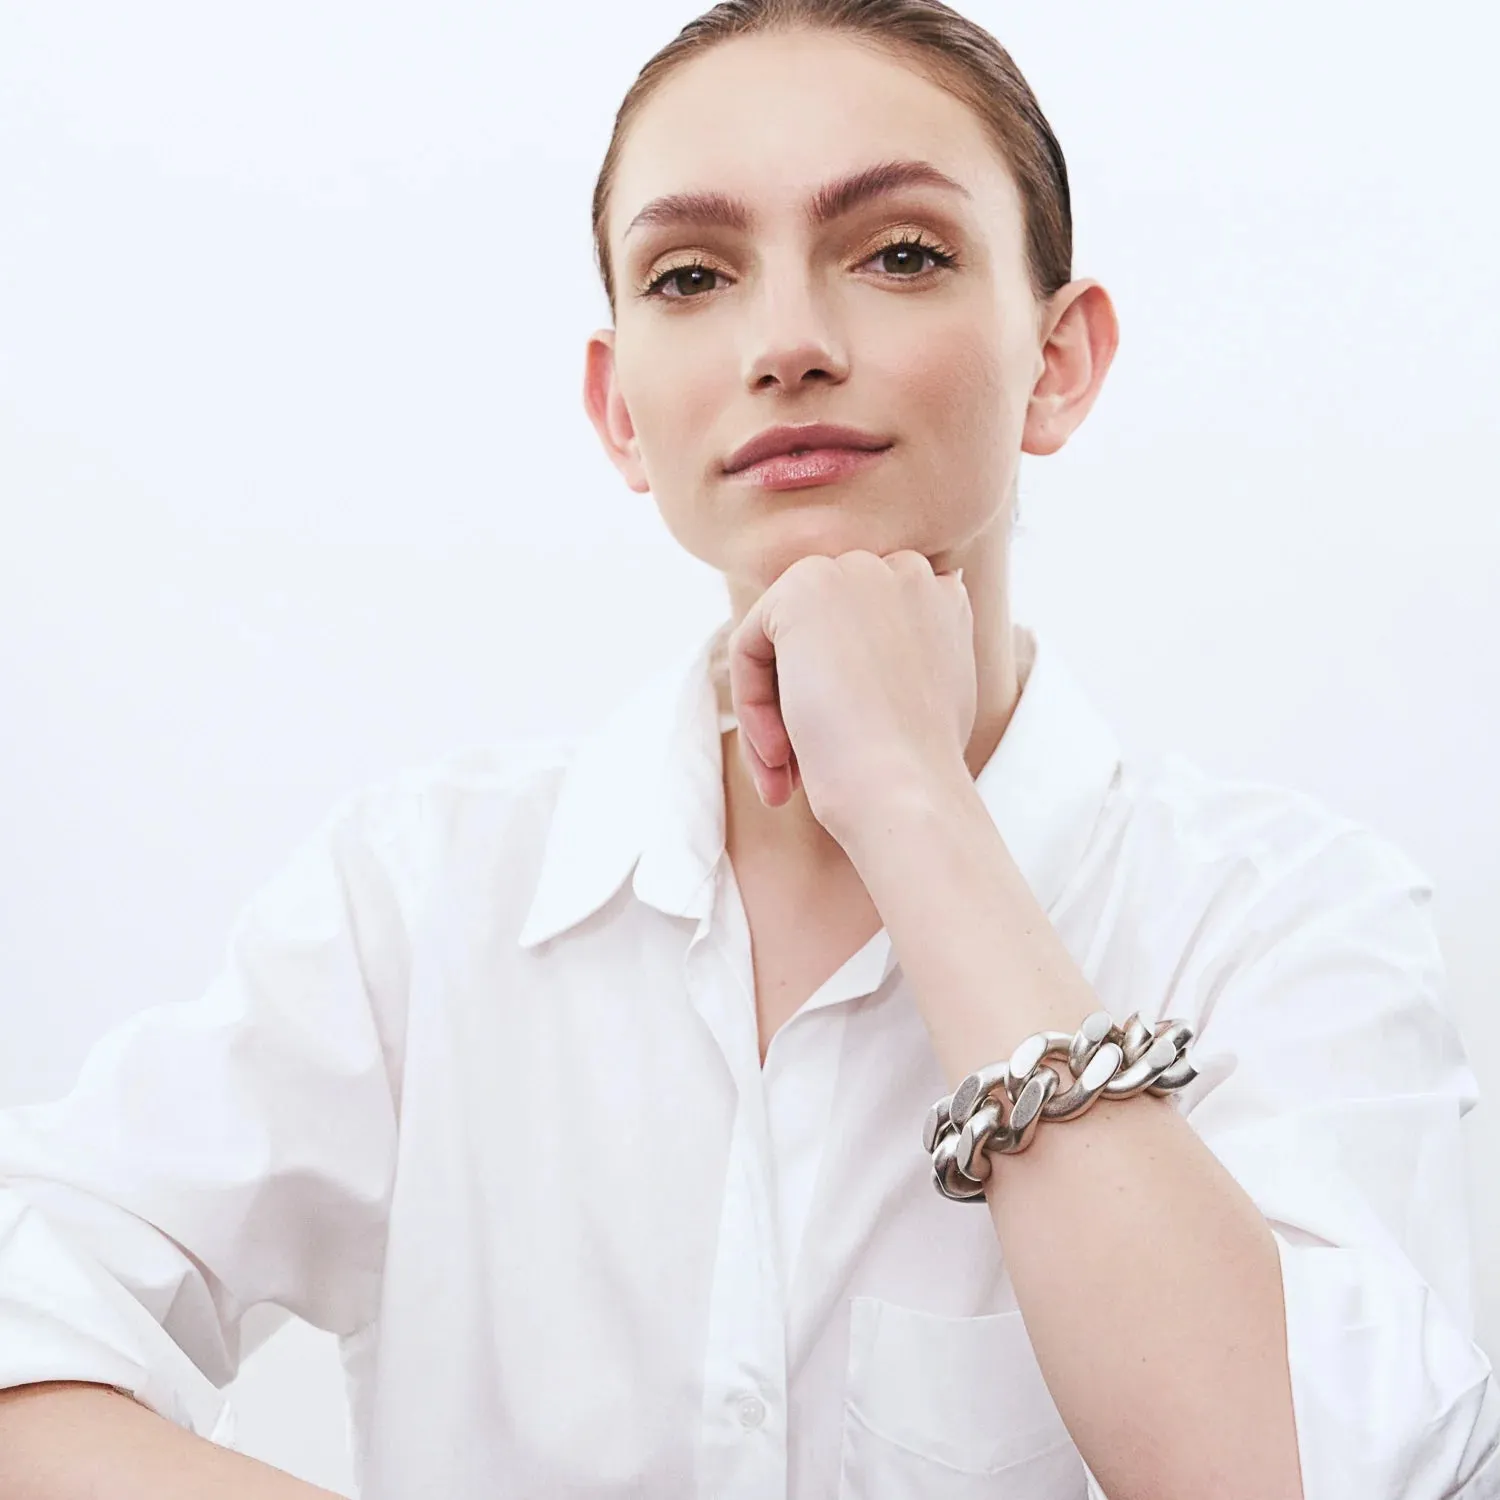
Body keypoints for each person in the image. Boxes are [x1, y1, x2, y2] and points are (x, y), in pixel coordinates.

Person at [1, 2, 1496, 1497]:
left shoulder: (1285, 921)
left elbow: (1316, 1475)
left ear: (1059, 358)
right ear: (621, 413)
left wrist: (913, 804)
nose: (787, 342)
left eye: (899, 252)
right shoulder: (421, 899)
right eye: (692, 274)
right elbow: (34, 1316)